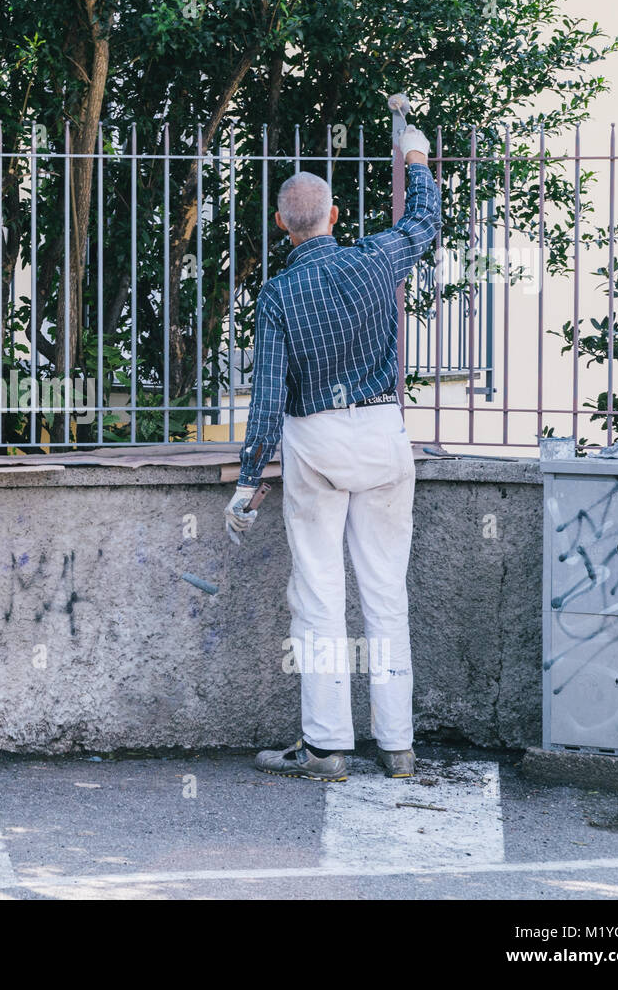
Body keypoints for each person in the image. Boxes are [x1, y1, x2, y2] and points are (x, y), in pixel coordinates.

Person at [224, 124, 439, 781]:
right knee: (385, 592)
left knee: (317, 596)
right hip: (381, 437)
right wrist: (417, 156)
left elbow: (266, 400)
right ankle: (398, 747)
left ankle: (325, 748)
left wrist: (248, 479)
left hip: (314, 440)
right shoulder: (378, 257)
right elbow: (425, 220)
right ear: (334, 216)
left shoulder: (279, 294)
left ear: (287, 228)